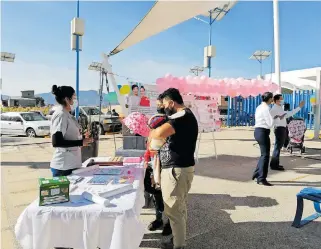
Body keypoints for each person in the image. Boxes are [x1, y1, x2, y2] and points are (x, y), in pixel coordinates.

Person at [150, 88, 198, 249]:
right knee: (179, 208)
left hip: (176, 170)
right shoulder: (187, 115)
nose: (163, 107)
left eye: (164, 104)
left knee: (174, 211)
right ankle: (178, 239)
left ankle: (179, 245)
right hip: (181, 168)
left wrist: (151, 131)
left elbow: (157, 134)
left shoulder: (181, 117)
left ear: (171, 102)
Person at [50, 85, 92, 249]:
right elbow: (57, 141)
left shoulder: (66, 114)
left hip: (72, 163)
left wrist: (82, 138)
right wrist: (80, 142)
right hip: (63, 166)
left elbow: (68, 136)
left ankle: (70, 241)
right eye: (73, 97)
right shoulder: (60, 114)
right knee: (62, 208)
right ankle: (60, 244)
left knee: (72, 207)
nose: (75, 100)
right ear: (67, 99)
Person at [270, 95, 304, 170]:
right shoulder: (274, 109)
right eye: (281, 99)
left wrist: (299, 107)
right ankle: (274, 165)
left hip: (282, 128)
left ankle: (275, 163)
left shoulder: (279, 108)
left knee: (278, 147)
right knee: (277, 147)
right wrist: (279, 117)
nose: (282, 100)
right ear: (276, 101)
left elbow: (289, 113)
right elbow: (273, 118)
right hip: (279, 128)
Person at [252, 92, 278, 186]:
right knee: (265, 156)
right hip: (263, 132)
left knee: (263, 155)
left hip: (258, 131)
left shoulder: (259, 107)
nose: (273, 100)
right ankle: (262, 178)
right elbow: (270, 124)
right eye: (272, 98)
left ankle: (257, 174)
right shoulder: (267, 108)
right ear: (270, 99)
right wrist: (276, 117)